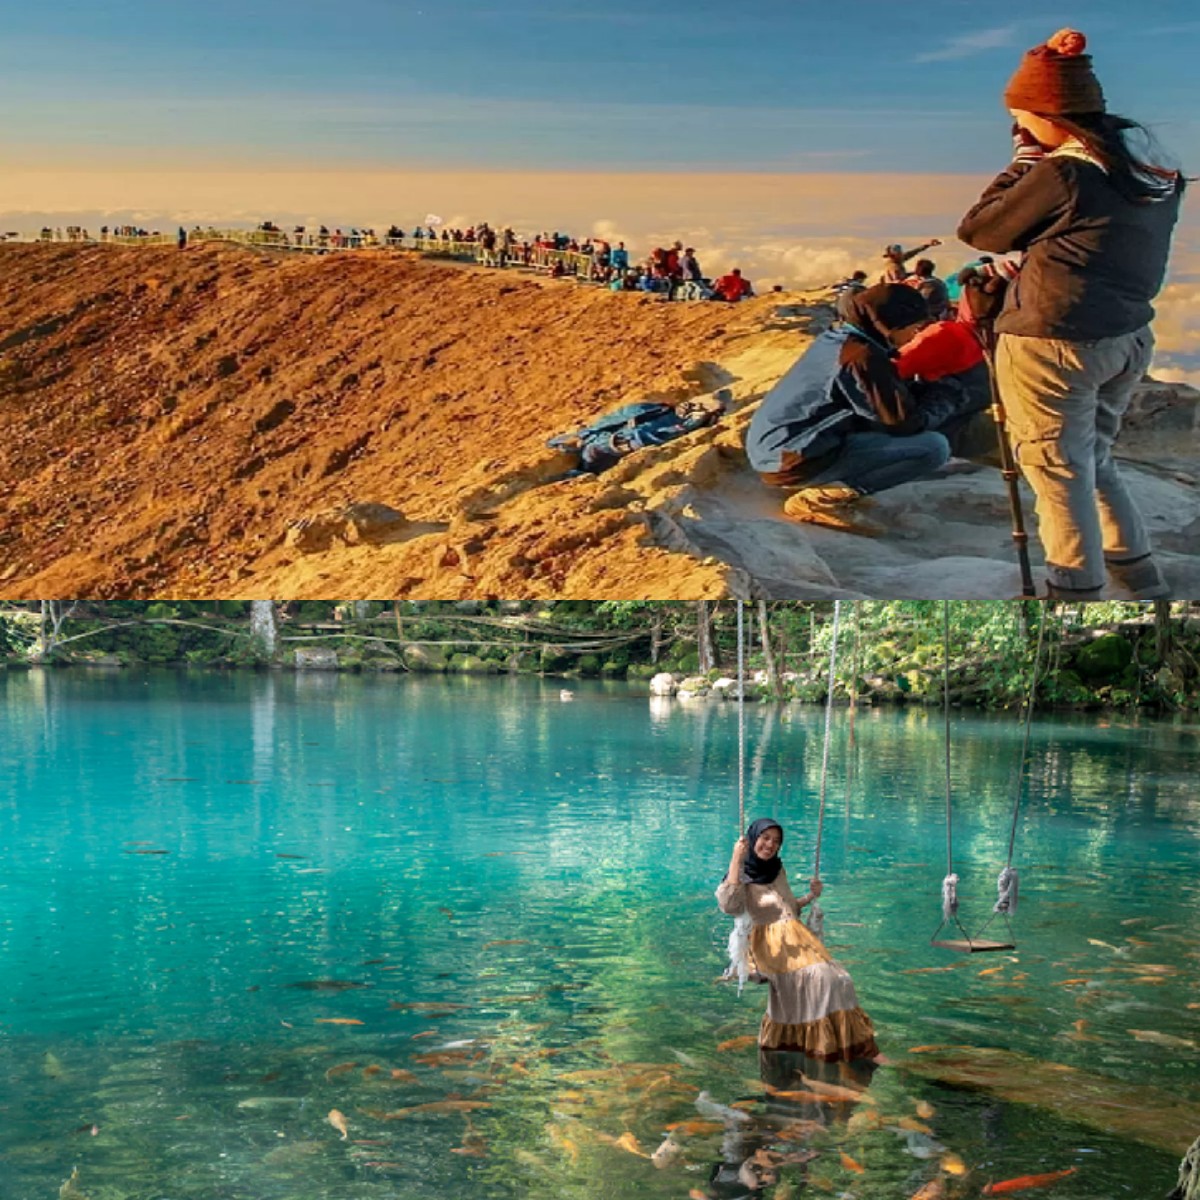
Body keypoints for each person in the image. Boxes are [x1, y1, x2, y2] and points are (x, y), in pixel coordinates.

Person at [957, 27, 1184, 600]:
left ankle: (1075, 593)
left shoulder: (1065, 172)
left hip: (1054, 343)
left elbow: (981, 229)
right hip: (1127, 335)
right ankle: (1139, 573)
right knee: (1095, 456)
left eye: (1025, 119)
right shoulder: (1148, 164)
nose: (1022, 129)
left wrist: (1025, 162)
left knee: (1057, 469)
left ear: (1050, 117)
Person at [746, 283, 984, 533]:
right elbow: (902, 424)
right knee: (933, 448)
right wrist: (945, 398)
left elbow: (872, 402)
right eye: (915, 328)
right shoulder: (861, 357)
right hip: (793, 462)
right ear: (892, 325)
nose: (916, 335)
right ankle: (822, 500)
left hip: (775, 451)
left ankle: (835, 482)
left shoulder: (840, 338)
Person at [716, 819, 879, 1061]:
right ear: (751, 839)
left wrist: (810, 896)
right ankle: (827, 1047)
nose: (770, 845)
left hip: (797, 939)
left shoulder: (777, 869)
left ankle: (854, 1046)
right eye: (765, 838)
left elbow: (788, 908)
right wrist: (736, 858)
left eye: (776, 841)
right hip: (770, 944)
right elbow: (730, 906)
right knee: (822, 979)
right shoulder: (740, 875)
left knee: (841, 979)